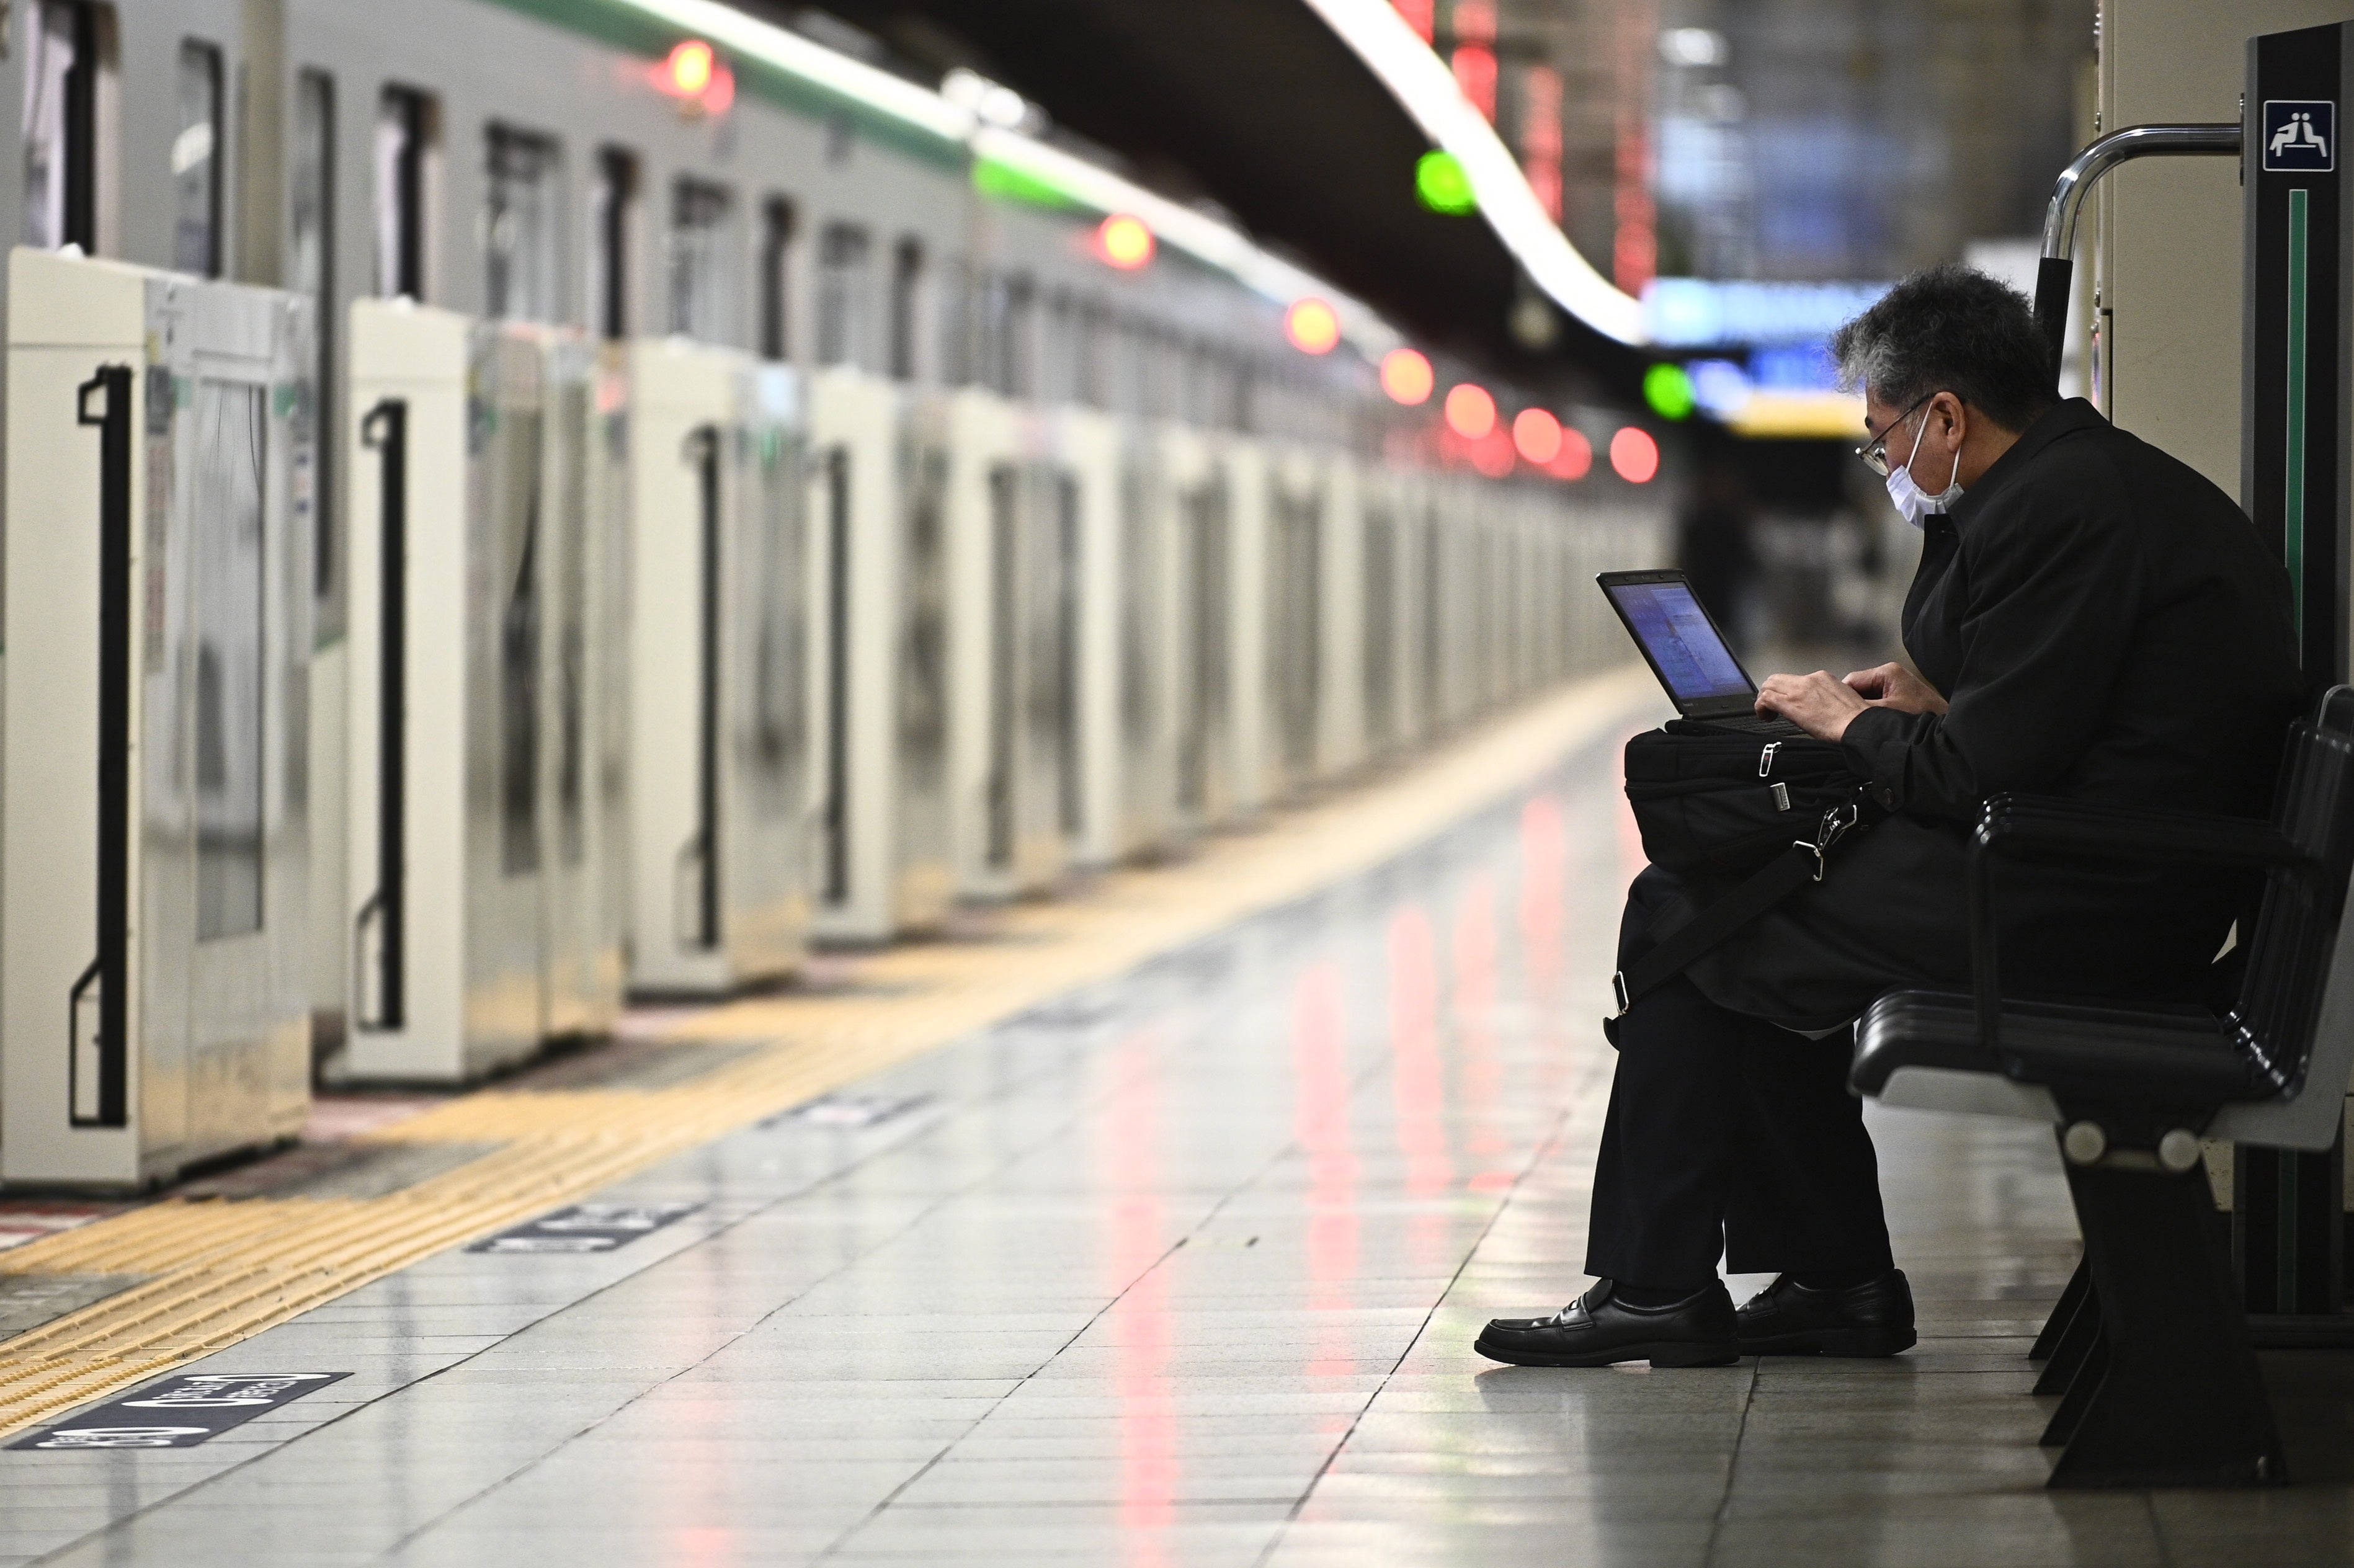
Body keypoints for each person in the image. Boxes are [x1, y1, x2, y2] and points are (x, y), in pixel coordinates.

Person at [1477, 264, 2305, 1369]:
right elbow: (2060, 709)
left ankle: (1668, 1285)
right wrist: (1922, 698)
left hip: (2090, 894)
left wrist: (1844, 720)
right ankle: (1825, 1278)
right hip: (2111, 862)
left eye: (1883, 438)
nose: (1882, 465)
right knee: (1739, 911)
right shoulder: (2078, 484)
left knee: (1692, 913)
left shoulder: (2063, 511)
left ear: (1948, 416)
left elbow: (1970, 776)